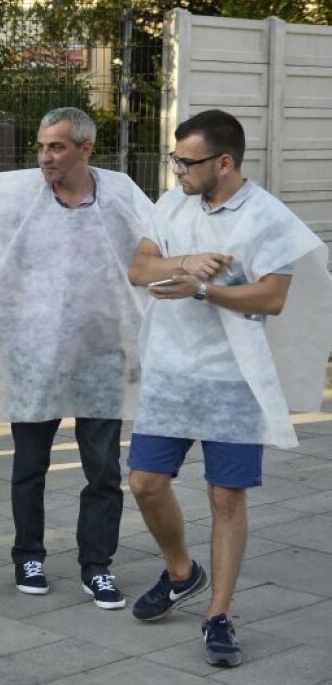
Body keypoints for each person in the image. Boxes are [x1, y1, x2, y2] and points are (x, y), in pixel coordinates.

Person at [126, 109, 332, 667]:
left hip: (232, 379)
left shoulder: (267, 218)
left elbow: (272, 298)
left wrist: (203, 291)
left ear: (224, 162)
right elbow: (140, 267)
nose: (177, 172)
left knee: (225, 496)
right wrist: (186, 261)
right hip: (170, 369)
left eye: (187, 162)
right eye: (175, 160)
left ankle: (218, 614)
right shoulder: (173, 204)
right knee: (144, 483)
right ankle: (180, 572)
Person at [0, 107, 151, 608]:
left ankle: (97, 565)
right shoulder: (20, 203)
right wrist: (10, 340)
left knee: (103, 469)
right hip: (35, 354)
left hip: (100, 353)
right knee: (30, 463)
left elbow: (146, 259)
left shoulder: (120, 199)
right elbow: (2, 277)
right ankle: (28, 554)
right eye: (41, 146)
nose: (45, 157)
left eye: (56, 147)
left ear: (85, 149)